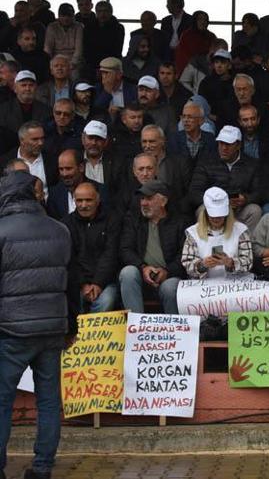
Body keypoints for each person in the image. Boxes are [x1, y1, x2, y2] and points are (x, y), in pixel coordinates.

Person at [0, 170, 77, 479]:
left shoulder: (2, 231)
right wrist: (71, 326)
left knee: (2, 402)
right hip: (52, 329)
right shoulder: (60, 230)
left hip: (11, 331)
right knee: (48, 401)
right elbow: (73, 283)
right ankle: (42, 468)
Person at [119, 180, 187, 314]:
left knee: (170, 287)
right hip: (142, 277)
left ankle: (173, 330)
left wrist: (167, 271)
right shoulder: (133, 220)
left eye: (149, 198)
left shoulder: (180, 222)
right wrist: (143, 267)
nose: (143, 203)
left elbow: (184, 255)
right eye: (142, 198)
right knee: (127, 273)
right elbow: (125, 249)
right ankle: (137, 327)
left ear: (163, 201)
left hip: (169, 277)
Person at [187, 125, 263, 236]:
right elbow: (194, 192)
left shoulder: (252, 164)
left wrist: (245, 199)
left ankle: (246, 246)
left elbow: (260, 192)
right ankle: (207, 244)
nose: (223, 148)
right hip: (213, 209)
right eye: (221, 143)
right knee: (202, 210)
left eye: (228, 144)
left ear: (238, 145)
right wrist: (217, 201)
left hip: (239, 209)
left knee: (255, 210)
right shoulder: (206, 162)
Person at [63, 182, 120, 313]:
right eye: (79, 200)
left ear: (98, 199)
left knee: (107, 301)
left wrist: (98, 283)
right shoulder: (66, 224)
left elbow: (110, 254)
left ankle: (91, 333)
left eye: (88, 200)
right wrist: (83, 284)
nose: (83, 205)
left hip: (105, 282)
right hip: (77, 283)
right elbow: (70, 259)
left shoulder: (112, 220)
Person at [181, 186, 253, 281]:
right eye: (213, 215)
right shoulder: (193, 232)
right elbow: (187, 263)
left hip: (234, 284)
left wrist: (230, 263)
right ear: (205, 212)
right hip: (204, 285)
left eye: (220, 215)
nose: (216, 218)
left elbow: (248, 261)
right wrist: (203, 265)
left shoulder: (240, 230)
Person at [0, 70, 49, 155]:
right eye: (23, 85)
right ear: (15, 88)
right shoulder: (3, 110)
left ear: (36, 87)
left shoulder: (46, 110)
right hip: (9, 156)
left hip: (39, 155)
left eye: (31, 85)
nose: (27, 88)